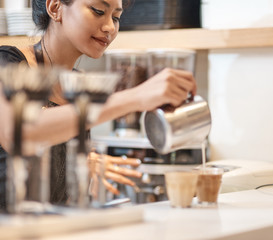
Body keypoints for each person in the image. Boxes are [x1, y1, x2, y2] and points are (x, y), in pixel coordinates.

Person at [0, 0, 196, 210]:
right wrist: (135, 96)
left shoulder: (77, 86)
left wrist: (79, 165)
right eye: (98, 11)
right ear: (55, 8)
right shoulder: (7, 63)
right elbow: (18, 131)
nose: (110, 27)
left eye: (116, 17)